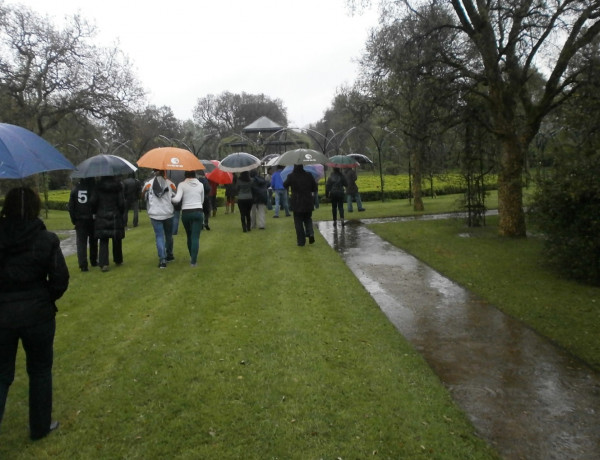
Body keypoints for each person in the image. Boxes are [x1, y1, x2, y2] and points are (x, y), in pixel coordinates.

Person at [0, 187, 69, 440]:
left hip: (7, 314)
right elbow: (60, 279)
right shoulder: (45, 239)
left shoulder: (45, 238)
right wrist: (45, 298)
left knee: (2, 373)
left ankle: (40, 426)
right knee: (39, 370)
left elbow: (60, 278)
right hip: (36, 314)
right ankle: (39, 426)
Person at [142, 169, 177, 268]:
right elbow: (175, 194)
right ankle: (169, 254)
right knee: (169, 235)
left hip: (155, 213)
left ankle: (162, 260)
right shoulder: (170, 183)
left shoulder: (149, 184)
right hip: (168, 213)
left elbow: (143, 194)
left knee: (159, 236)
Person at [90, 175, 125, 272]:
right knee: (116, 238)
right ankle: (118, 259)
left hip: (101, 214)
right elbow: (121, 203)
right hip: (115, 215)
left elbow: (93, 201)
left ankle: (104, 263)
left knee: (103, 240)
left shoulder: (98, 187)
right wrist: (121, 212)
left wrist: (94, 212)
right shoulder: (118, 187)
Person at [171, 170, 204, 267]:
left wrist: (171, 196)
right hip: (198, 211)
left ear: (185, 175)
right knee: (195, 237)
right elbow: (202, 200)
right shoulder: (200, 185)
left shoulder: (182, 184)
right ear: (195, 174)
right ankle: (193, 261)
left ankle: (191, 255)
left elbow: (177, 200)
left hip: (186, 212)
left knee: (189, 235)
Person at [283, 164, 318, 246]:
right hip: (308, 201)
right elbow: (314, 188)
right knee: (308, 218)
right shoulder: (309, 175)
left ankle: (301, 241)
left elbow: (284, 185)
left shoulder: (291, 176)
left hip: (297, 201)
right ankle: (311, 233)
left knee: (298, 221)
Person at [68, 177, 98, 271]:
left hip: (80, 220)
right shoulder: (93, 188)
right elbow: (95, 203)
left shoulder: (75, 189)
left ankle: (83, 265)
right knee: (93, 241)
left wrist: (74, 220)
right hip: (91, 219)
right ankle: (93, 260)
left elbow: (71, 207)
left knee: (81, 243)